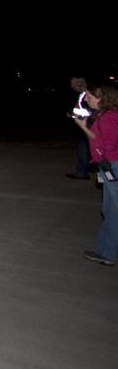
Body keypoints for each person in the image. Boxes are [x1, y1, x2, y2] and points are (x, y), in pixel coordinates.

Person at [75, 83, 118, 266]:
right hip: (109, 166)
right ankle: (106, 251)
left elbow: (106, 144)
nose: (88, 99)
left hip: (113, 167)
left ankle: (107, 252)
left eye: (91, 97)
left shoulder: (109, 119)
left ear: (103, 99)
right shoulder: (107, 116)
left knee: (113, 211)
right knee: (110, 211)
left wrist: (84, 128)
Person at [66, 77, 94, 179]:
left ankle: (83, 171)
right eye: (71, 83)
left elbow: (90, 111)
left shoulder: (89, 94)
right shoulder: (79, 94)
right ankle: (83, 170)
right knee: (83, 148)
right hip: (83, 125)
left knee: (85, 148)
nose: (72, 85)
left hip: (89, 125)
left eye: (74, 83)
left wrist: (74, 113)